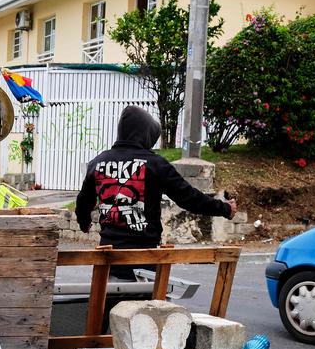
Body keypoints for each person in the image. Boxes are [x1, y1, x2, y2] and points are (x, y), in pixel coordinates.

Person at [75, 106, 236, 279]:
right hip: (143, 262)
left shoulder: (97, 163)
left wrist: (84, 223)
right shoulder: (155, 164)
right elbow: (189, 198)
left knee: (106, 305)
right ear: (145, 134)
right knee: (148, 305)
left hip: (107, 262)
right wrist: (224, 208)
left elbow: (83, 202)